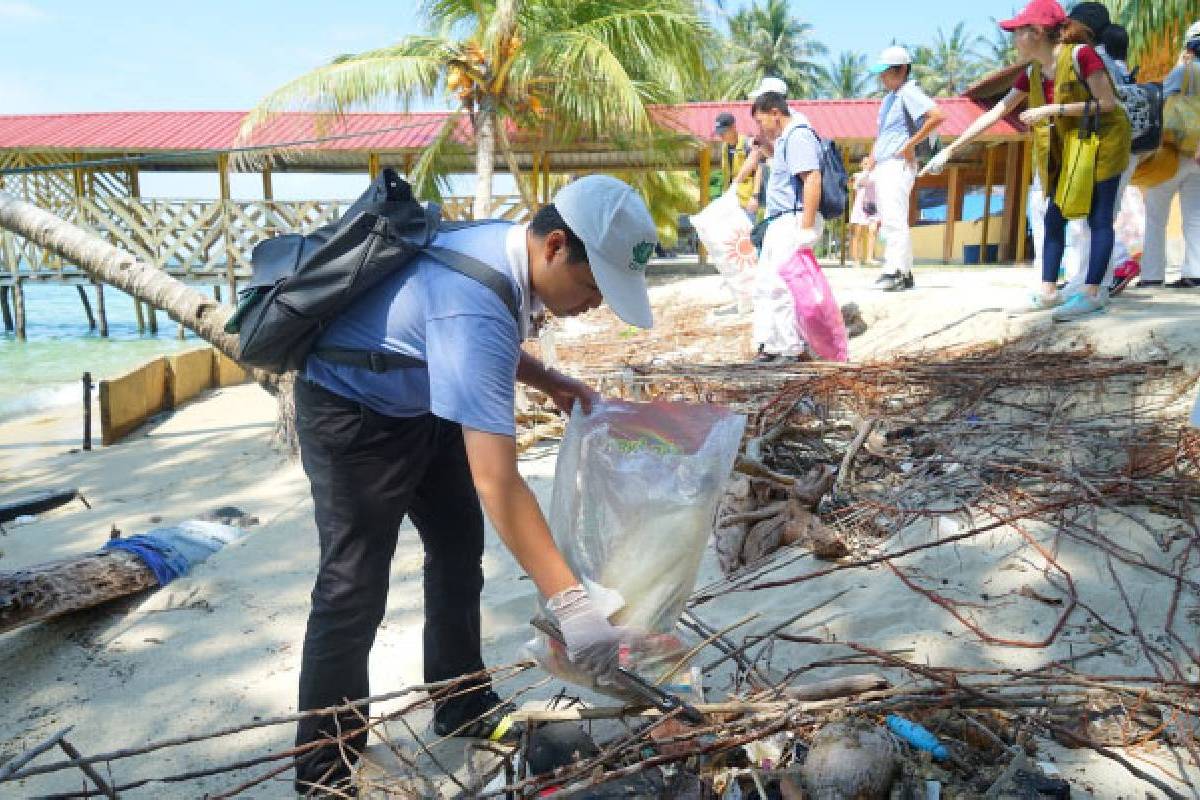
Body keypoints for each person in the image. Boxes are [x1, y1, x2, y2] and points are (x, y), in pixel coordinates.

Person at [291, 175, 657, 795]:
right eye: (595, 286)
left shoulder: (500, 250)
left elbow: (467, 343)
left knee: (459, 550)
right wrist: (572, 604)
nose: (596, 304)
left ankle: (460, 703)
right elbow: (500, 483)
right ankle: (325, 768)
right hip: (350, 410)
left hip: (421, 398)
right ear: (555, 247)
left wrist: (548, 379)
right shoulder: (477, 294)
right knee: (351, 588)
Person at [924, 0, 1131, 321]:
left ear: (1036, 33)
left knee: (1098, 217)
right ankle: (1048, 291)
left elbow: (1107, 103)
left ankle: (1093, 293)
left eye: (1018, 32)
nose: (1014, 39)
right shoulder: (1034, 72)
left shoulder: (1081, 56)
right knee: (1053, 217)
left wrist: (1051, 110)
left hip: (1104, 141)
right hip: (1069, 145)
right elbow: (998, 110)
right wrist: (951, 149)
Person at [746, 90, 824, 362]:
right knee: (766, 285)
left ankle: (791, 348)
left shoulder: (799, 135)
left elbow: (812, 179)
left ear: (775, 113)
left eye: (760, 120)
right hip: (779, 220)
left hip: (792, 218)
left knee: (782, 287)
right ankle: (771, 344)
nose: (760, 127)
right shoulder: (784, 140)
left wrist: (805, 228)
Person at [863, 46, 945, 292]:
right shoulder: (890, 98)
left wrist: (911, 145)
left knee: (893, 220)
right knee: (891, 217)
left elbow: (937, 116)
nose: (882, 77)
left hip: (898, 164)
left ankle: (894, 271)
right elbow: (883, 134)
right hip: (886, 163)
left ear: (901, 70)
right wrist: (872, 159)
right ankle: (905, 272)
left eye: (886, 72)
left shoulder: (909, 92)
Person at [1141, 21, 1200, 289]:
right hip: (1197, 156)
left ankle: (1152, 275)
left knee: (1156, 216)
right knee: (1195, 216)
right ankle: (1195, 272)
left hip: (1173, 152)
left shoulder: (1184, 71)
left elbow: (1158, 99)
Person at [715, 112, 762, 220]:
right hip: (731, 202)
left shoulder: (747, 144)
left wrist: (755, 197)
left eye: (723, 132)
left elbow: (758, 171)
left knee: (746, 235)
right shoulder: (724, 148)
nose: (721, 135)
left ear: (733, 127)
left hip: (747, 202)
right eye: (719, 132)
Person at [848, 160, 881, 266]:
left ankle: (869, 258)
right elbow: (854, 187)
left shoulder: (877, 176)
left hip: (873, 207)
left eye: (870, 163)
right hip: (860, 207)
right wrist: (865, 172)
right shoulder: (857, 176)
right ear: (861, 165)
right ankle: (855, 259)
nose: (868, 165)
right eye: (866, 163)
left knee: (872, 232)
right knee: (857, 234)